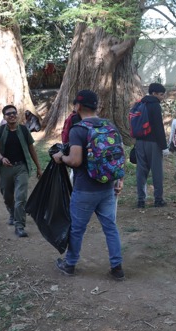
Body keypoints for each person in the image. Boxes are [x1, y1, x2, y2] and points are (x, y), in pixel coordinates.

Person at [52, 89, 125, 280]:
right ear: (96, 106)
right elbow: (117, 155)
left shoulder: (79, 130)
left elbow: (75, 161)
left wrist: (61, 157)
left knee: (77, 228)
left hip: (85, 189)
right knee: (110, 227)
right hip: (107, 187)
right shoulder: (109, 126)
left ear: (78, 106)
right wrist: (119, 179)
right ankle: (117, 268)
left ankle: (70, 264)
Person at [0, 105, 43, 238]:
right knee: (7, 196)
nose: (12, 115)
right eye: (8, 114)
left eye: (14, 113)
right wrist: (2, 158)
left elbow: (32, 149)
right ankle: (12, 213)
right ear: (4, 117)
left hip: (22, 168)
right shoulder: (0, 130)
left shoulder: (24, 130)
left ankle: (19, 225)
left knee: (20, 198)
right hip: (5, 169)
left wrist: (38, 167)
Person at [135, 82, 169, 208]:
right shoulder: (155, 105)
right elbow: (158, 127)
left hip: (139, 141)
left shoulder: (140, 103)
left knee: (141, 171)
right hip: (153, 143)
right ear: (154, 94)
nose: (162, 97)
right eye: (161, 94)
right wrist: (164, 146)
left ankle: (140, 200)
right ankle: (158, 199)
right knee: (157, 172)